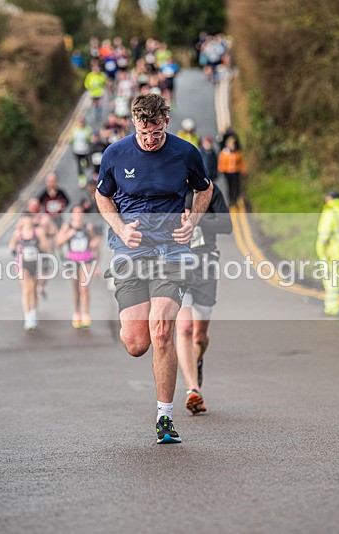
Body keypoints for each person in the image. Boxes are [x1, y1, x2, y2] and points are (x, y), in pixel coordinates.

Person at [96, 93, 212, 444]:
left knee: (162, 330)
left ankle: (165, 418)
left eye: (157, 133)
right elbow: (103, 195)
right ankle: (128, 308)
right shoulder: (115, 154)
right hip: (130, 249)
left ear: (166, 123)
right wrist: (120, 228)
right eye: (144, 133)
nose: (150, 140)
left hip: (172, 249)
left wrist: (193, 221)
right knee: (137, 343)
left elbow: (204, 189)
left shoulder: (185, 153)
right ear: (134, 123)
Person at [177, 184, 231, 415]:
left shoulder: (209, 190)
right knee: (185, 329)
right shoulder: (169, 186)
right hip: (177, 264)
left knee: (199, 336)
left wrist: (196, 219)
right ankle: (193, 390)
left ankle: (197, 362)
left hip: (205, 265)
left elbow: (226, 225)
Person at [56, 205, 98, 328]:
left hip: (86, 260)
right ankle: (76, 312)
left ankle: (85, 314)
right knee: (75, 289)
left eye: (81, 212)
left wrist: (94, 244)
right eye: (76, 212)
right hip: (72, 260)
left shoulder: (88, 227)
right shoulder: (67, 227)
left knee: (84, 288)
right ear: (71, 214)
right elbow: (58, 243)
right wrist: (67, 235)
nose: (78, 215)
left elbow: (95, 243)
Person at [9, 212, 50, 331]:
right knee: (26, 289)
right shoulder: (18, 233)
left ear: (32, 219)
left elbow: (46, 247)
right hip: (23, 264)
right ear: (21, 220)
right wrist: (16, 250)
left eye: (29, 218)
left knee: (33, 289)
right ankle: (27, 317)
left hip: (36, 264)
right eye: (24, 218)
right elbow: (11, 246)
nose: (27, 221)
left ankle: (33, 311)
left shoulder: (38, 232)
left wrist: (38, 247)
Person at [217, 135, 246, 205]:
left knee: (235, 186)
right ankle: (230, 200)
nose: (232, 146)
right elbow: (221, 162)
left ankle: (235, 199)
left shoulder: (237, 153)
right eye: (230, 144)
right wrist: (221, 169)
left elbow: (241, 163)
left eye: (233, 144)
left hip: (235, 172)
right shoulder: (224, 153)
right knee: (229, 186)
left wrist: (243, 170)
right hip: (227, 172)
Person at [70, 118, 92, 187]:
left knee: (87, 164)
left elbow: (90, 139)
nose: (81, 124)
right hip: (77, 151)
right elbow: (71, 139)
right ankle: (82, 179)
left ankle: (85, 165)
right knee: (79, 166)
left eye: (82, 122)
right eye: (79, 122)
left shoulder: (88, 129)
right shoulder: (74, 130)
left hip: (85, 150)